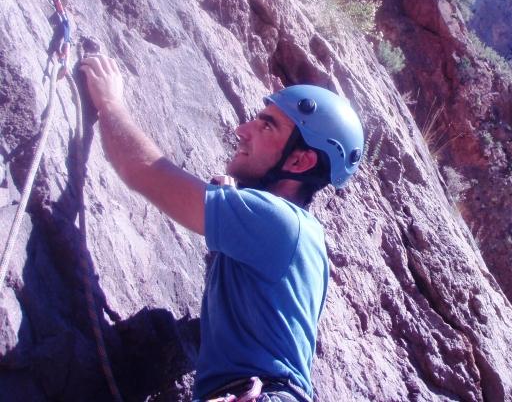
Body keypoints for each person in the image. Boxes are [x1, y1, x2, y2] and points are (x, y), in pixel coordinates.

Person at [80, 55, 364, 402]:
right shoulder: (303, 238)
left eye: (267, 126)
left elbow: (142, 170)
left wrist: (109, 102)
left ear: (299, 161)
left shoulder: (277, 223)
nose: (242, 130)